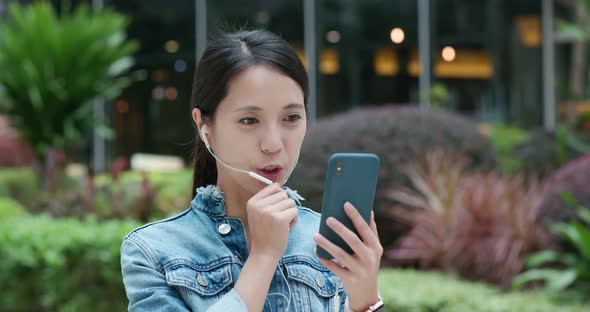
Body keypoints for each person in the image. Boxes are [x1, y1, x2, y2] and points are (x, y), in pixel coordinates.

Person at [121, 29, 384, 312]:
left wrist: (366, 301)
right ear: (204, 126)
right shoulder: (152, 251)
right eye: (249, 120)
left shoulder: (326, 241)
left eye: (291, 117)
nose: (273, 144)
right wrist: (263, 258)